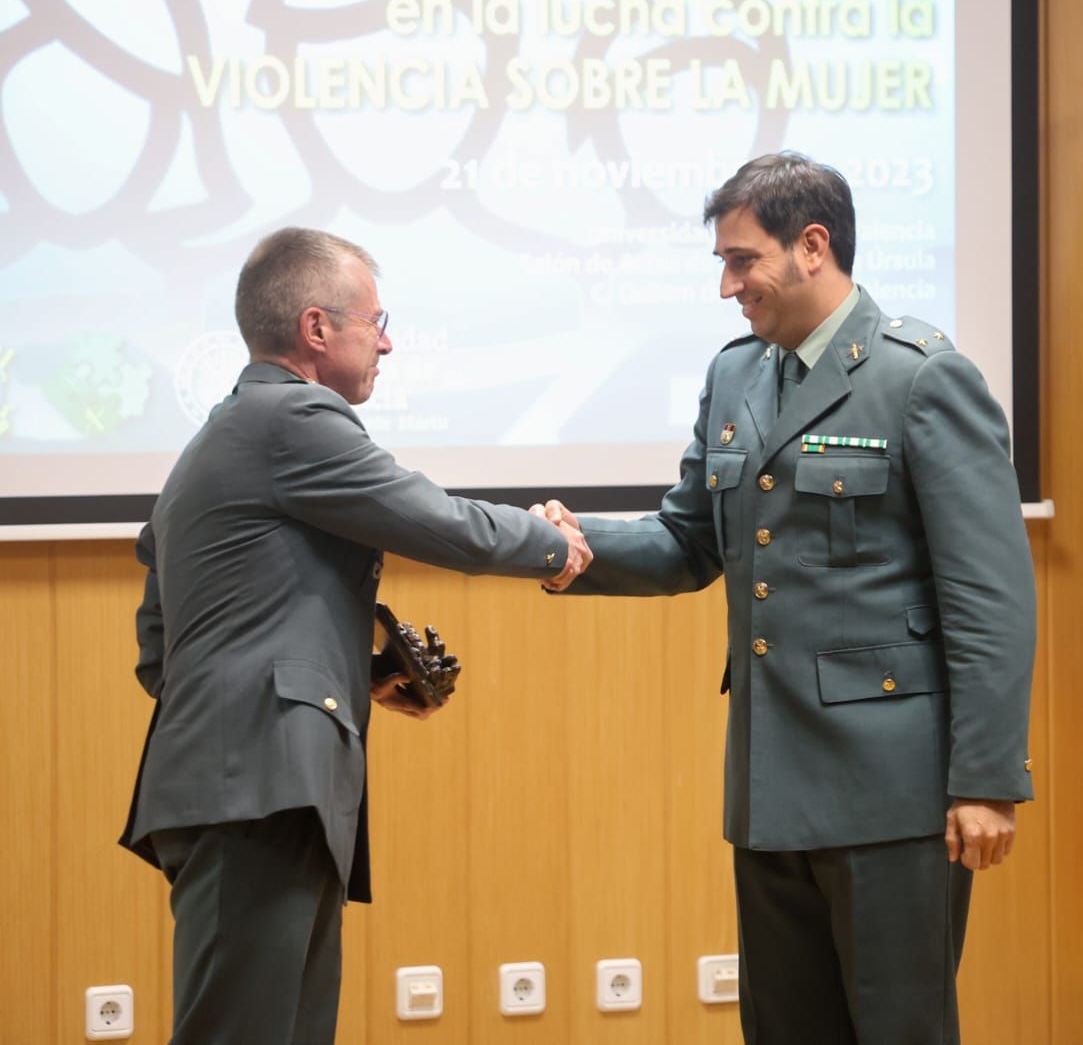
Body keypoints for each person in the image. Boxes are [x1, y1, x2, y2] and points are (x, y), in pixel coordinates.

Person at [538, 152, 1035, 1042]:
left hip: (895, 792)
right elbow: (690, 541)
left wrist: (988, 783)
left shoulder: (920, 377)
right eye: (724, 265)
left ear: (813, 246)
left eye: (742, 262)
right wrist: (565, 547)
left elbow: (989, 599)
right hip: (771, 786)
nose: (728, 287)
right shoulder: (735, 376)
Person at [120, 227, 590, 1044]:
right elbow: (441, 523)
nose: (389, 340)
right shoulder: (292, 417)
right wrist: (555, 544)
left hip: (246, 783)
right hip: (259, 789)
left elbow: (162, 652)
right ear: (316, 328)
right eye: (376, 320)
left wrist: (350, 675)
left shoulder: (213, 441)